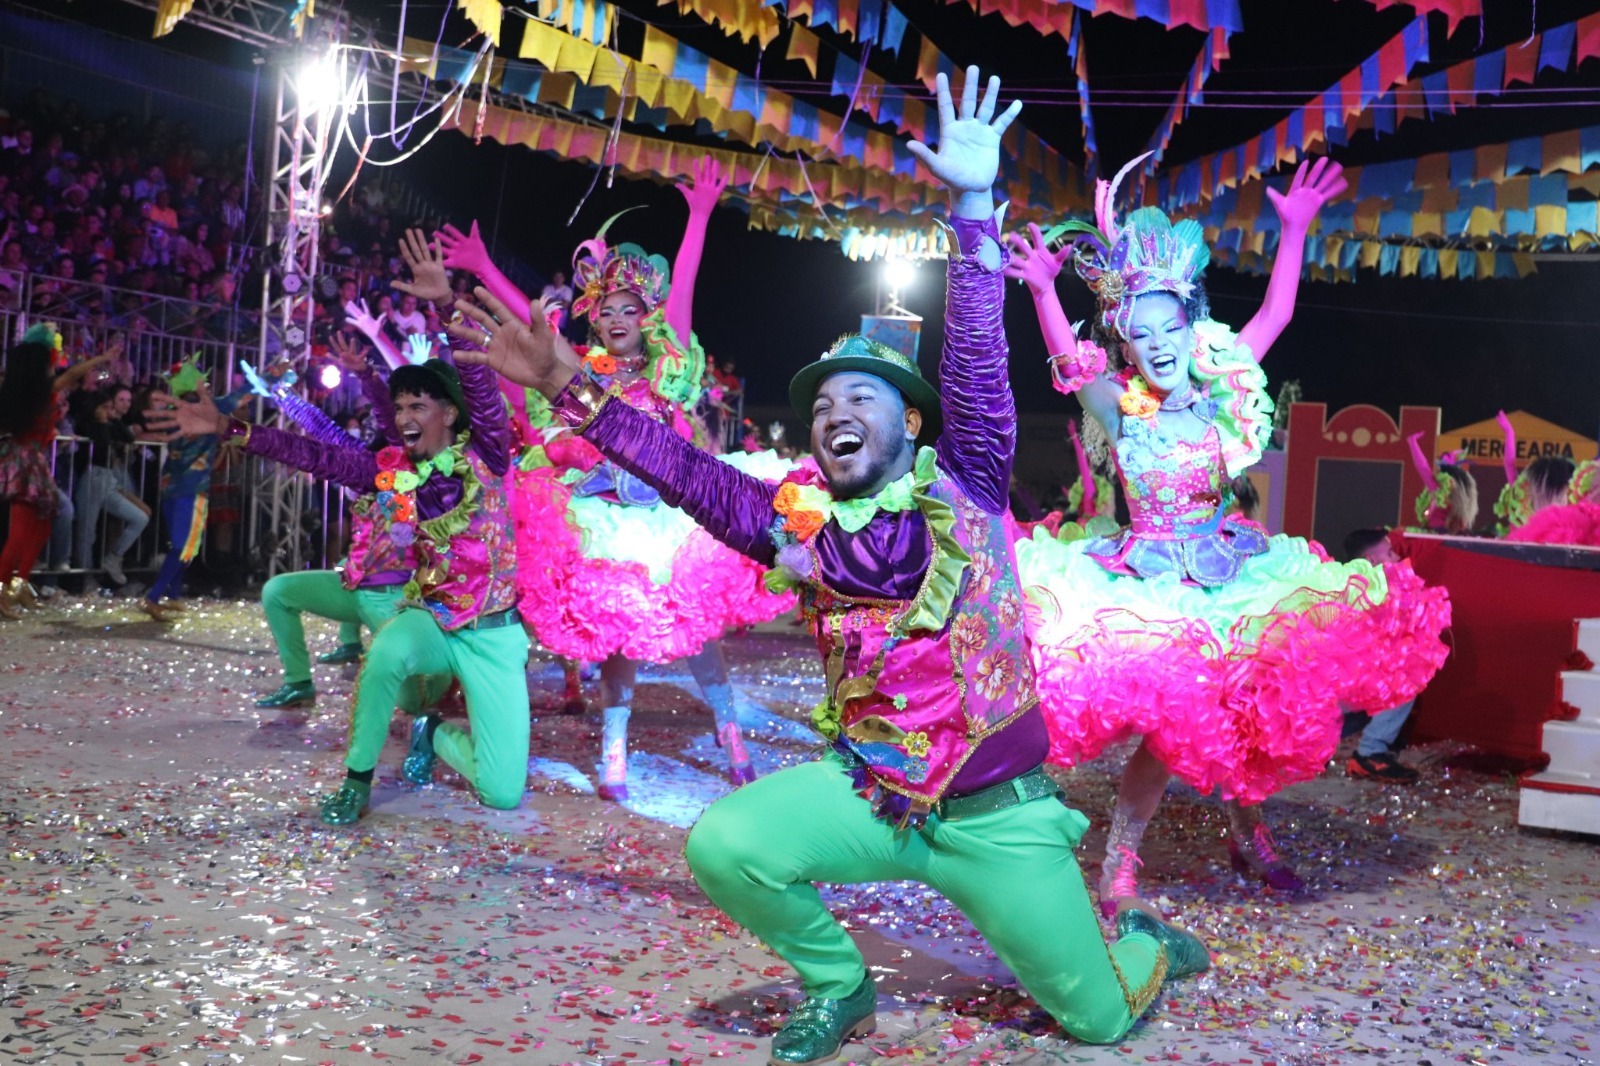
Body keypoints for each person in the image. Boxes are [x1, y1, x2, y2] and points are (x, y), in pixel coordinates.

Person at [450, 68, 1210, 1063]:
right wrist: (562, 379)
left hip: (995, 815)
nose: (835, 413)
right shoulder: (792, 520)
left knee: (1100, 1020)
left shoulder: (970, 478)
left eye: (862, 398)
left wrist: (973, 203)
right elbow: (685, 470)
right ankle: (839, 983)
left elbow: (976, 358)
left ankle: (1145, 942)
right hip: (872, 797)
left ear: (911, 424)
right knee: (725, 846)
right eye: (821, 405)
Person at [1007, 154, 1449, 913]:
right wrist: (1046, 291)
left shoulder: (1222, 399)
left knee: (1248, 716)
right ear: (1125, 345)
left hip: (1231, 580)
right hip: (1150, 591)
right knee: (1166, 732)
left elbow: (1274, 316)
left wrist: (1294, 230)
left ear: (1190, 326)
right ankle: (1120, 866)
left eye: (1169, 327)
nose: (1158, 345)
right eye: (1139, 335)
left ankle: (1250, 834)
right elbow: (1069, 364)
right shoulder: (1122, 409)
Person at [433, 163, 793, 801]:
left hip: (668, 517)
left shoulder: (663, 367)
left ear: (646, 317)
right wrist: (485, 268)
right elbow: (531, 331)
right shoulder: (581, 372)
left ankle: (729, 729)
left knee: (698, 632)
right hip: (608, 518)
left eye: (631, 309)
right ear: (594, 321)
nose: (619, 317)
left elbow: (684, 289)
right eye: (607, 310)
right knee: (621, 633)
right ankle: (614, 744)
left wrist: (699, 218)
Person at [151, 232, 529, 827]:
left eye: (417, 406)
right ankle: (357, 779)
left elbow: (479, 382)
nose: (404, 417)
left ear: (449, 413)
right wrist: (231, 429)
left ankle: (431, 732)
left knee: (502, 793)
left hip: (495, 633)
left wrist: (444, 304)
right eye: (399, 408)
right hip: (431, 618)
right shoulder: (391, 471)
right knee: (384, 656)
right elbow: (318, 455)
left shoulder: (488, 453)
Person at [0, 326, 113, 616]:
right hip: (25, 462)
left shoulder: (27, 389)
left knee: (44, 522)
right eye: (52, 356)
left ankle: (20, 584)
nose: (56, 360)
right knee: (22, 530)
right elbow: (73, 374)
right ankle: (2, 592)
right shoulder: (38, 389)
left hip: (30, 460)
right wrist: (102, 358)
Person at [1336, 528, 1442, 783]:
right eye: (1390, 553)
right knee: (1404, 677)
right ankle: (1370, 754)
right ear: (1371, 560)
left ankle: (1369, 747)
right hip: (1336, 692)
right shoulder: (1365, 594)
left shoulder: (1362, 585)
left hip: (1343, 692)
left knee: (1404, 668)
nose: (1396, 558)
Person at [72, 384, 149, 585]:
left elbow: (128, 438)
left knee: (139, 518)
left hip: (108, 480)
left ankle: (114, 557)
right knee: (87, 533)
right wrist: (105, 421)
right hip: (92, 479)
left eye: (110, 407)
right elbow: (100, 443)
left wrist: (114, 420)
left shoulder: (109, 425)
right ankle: (86, 579)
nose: (109, 411)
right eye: (105, 407)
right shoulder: (89, 426)